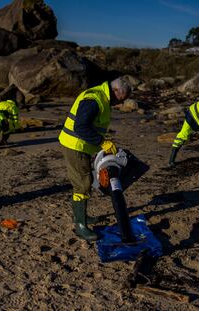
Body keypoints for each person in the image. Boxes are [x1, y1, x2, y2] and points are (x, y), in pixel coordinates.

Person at [59, 77, 132, 241]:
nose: (120, 103)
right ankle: (80, 226)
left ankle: (82, 217)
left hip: (82, 146)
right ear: (116, 91)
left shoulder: (103, 97)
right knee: (83, 184)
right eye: (122, 98)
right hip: (75, 145)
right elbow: (80, 127)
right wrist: (102, 142)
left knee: (85, 180)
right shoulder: (94, 99)